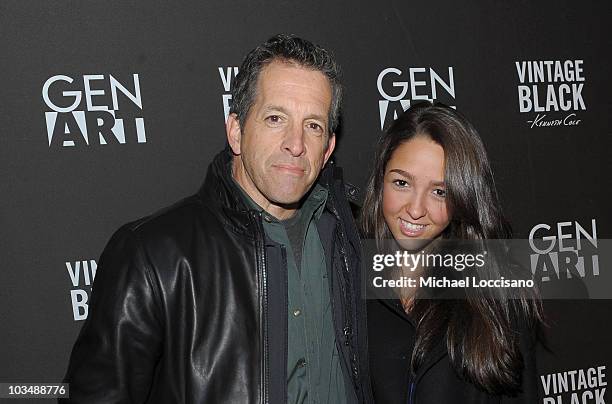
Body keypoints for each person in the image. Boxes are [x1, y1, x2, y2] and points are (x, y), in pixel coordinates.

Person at [62, 34, 372, 404]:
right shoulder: (152, 255)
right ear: (236, 131)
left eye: (313, 126)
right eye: (276, 118)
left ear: (328, 150)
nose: (296, 143)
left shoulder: (353, 235)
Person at [361, 102, 543, 403]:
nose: (416, 209)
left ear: (463, 197)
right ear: (381, 181)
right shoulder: (348, 277)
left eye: (439, 192)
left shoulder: (498, 294)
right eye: (402, 183)